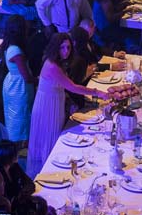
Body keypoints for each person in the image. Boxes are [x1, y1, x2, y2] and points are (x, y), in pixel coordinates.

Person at [27, 32, 103, 174]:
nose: (66, 51)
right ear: (56, 48)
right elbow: (72, 87)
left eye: (68, 47)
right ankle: (48, 173)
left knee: (52, 137)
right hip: (48, 107)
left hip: (53, 103)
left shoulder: (57, 62)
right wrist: (97, 92)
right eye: (62, 47)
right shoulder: (52, 66)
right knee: (49, 139)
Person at [0, 15, 35, 146]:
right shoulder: (16, 52)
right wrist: (41, 80)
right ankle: (19, 147)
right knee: (20, 116)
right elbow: (26, 77)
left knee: (16, 116)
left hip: (14, 83)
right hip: (19, 87)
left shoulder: (11, 45)